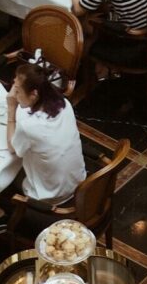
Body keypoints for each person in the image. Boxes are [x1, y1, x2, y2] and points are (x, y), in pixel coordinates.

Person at [5, 62, 86, 204]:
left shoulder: (29, 126)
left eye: (17, 91)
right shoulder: (64, 104)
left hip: (50, 195)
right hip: (78, 182)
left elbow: (13, 148)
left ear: (34, 94)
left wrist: (11, 109)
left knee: (6, 174)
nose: (14, 94)